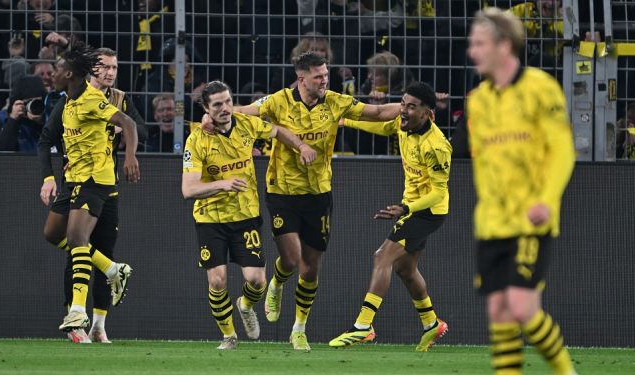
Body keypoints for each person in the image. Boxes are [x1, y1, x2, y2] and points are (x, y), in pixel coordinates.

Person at [233, 51, 402, 351]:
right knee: (291, 258)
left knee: (310, 268)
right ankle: (277, 284)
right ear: (301, 78)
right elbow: (244, 112)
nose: (325, 80)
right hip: (282, 191)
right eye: (318, 76)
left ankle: (299, 328)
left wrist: (409, 106)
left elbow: (376, 113)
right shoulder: (277, 101)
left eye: (325, 74)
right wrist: (215, 114)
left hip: (319, 193)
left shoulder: (336, 102)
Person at [466, 8, 585, 375]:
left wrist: (547, 200)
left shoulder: (540, 88)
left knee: (520, 307)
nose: (472, 51)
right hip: (491, 223)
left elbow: (563, 150)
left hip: (533, 218)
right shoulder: (478, 102)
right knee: (498, 313)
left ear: (504, 46)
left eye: (479, 43)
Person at [182, 81, 315, 350]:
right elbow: (189, 189)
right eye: (217, 104)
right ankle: (229, 336)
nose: (225, 108)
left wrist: (301, 146)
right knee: (217, 280)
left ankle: (245, 305)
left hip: (246, 216)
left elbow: (277, 131)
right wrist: (223, 184)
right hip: (211, 219)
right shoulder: (196, 140)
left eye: (228, 101)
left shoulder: (246, 124)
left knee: (256, 281)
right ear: (206, 109)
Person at [329, 82, 451, 351]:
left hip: (426, 211)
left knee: (381, 257)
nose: (403, 110)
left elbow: (439, 193)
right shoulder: (402, 124)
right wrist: (346, 121)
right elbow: (382, 127)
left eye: (411, 107)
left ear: (428, 113)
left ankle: (363, 325)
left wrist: (407, 209)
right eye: (403, 104)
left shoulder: (437, 146)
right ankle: (431, 323)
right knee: (405, 269)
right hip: (412, 208)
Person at [38, 47, 142, 343]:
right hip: (73, 179)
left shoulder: (91, 99)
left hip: (95, 180)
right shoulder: (68, 102)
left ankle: (77, 312)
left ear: (69, 73)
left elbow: (129, 123)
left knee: (76, 239)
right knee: (52, 234)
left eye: (57, 70)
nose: (52, 74)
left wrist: (130, 156)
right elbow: (48, 139)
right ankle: (112, 269)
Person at [0, 75, 47, 152]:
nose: (34, 106)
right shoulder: (0, 119)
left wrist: (41, 122)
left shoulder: (48, 117)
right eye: (29, 102)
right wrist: (13, 120)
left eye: (38, 102)